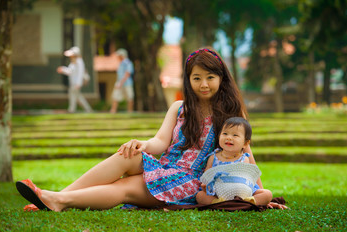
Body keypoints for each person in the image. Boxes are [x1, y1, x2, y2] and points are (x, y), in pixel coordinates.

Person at [16, 48, 285, 212]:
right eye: (196, 78)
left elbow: (246, 153)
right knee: (129, 154)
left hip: (191, 181)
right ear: (188, 80)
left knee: (126, 187)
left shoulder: (231, 114)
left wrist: (255, 192)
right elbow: (159, 141)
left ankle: (57, 200)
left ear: (221, 78)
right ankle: (56, 197)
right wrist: (141, 144)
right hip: (167, 165)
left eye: (210, 77)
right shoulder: (179, 107)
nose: (204, 84)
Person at [196, 117, 273, 206]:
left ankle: (249, 201)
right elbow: (207, 176)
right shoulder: (214, 157)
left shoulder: (244, 159)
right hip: (219, 193)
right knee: (200, 196)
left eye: (235, 135)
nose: (229, 138)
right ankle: (219, 202)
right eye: (225, 133)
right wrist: (205, 187)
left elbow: (249, 179)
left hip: (243, 193)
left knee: (267, 194)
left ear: (245, 143)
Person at [57, 46, 93, 113]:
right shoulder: (73, 62)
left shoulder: (79, 61)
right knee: (76, 96)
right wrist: (63, 69)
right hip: (73, 83)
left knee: (76, 96)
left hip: (76, 83)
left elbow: (80, 73)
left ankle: (75, 109)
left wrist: (78, 83)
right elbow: (70, 71)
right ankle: (75, 109)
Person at [110, 48, 134, 113]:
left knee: (130, 97)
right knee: (115, 97)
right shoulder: (121, 63)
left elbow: (127, 74)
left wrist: (120, 83)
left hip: (127, 84)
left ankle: (130, 112)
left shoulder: (127, 63)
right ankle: (113, 111)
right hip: (120, 83)